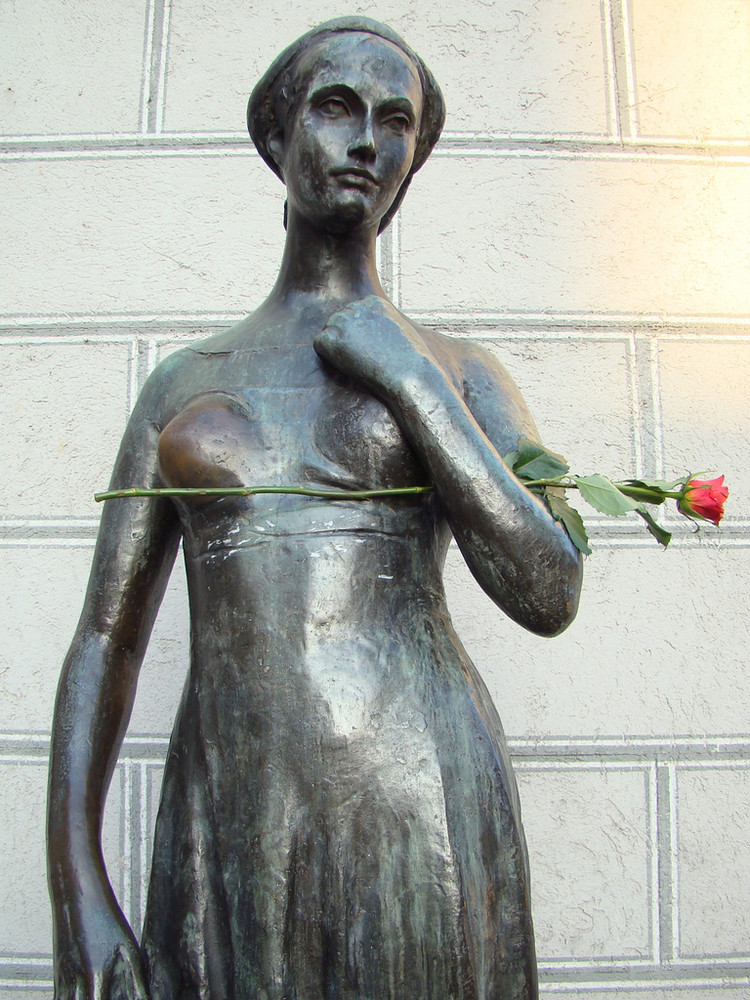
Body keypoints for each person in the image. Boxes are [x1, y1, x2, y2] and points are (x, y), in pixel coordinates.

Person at [47, 17, 582, 1000]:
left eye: (396, 122)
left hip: (424, 802)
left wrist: (411, 381)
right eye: (338, 108)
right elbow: (105, 640)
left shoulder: (461, 371)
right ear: (279, 137)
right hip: (241, 813)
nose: (368, 141)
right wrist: (73, 878)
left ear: (412, 161)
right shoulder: (184, 382)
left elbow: (550, 586)